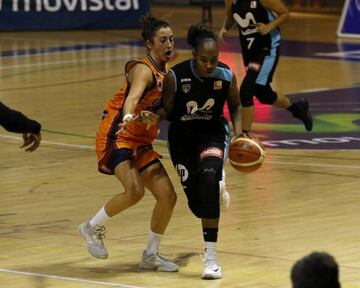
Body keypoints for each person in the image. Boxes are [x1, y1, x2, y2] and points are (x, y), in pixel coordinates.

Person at [78, 15, 179, 272]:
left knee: (167, 196)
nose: (169, 44)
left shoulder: (166, 72)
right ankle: (92, 226)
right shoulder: (144, 69)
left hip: (141, 140)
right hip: (117, 135)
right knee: (134, 191)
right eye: (163, 40)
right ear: (149, 44)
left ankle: (150, 254)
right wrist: (129, 117)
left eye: (171, 39)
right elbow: (132, 97)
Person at [156, 24, 242, 279]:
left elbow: (236, 106)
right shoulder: (176, 76)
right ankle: (217, 186)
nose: (209, 65)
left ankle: (212, 259)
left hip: (212, 135)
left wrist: (239, 133)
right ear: (194, 56)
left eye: (213, 60)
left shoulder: (225, 75)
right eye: (204, 60)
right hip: (182, 141)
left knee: (207, 180)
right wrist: (153, 116)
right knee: (198, 207)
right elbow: (166, 110)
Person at [218, 0, 313, 135]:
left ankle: (244, 136)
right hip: (249, 50)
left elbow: (285, 14)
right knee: (264, 94)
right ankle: (298, 108)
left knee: (246, 91)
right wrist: (225, 29)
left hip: (267, 47)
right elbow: (231, 16)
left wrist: (269, 26)